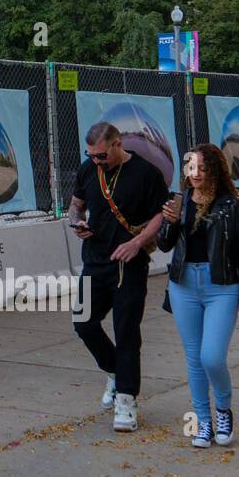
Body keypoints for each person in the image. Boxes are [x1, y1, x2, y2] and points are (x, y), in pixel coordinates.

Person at [158, 144, 239, 449]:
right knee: (194, 358)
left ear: (215, 170)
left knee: (211, 357)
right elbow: (164, 246)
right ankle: (203, 422)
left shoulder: (231, 205)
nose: (196, 174)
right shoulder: (180, 202)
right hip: (183, 285)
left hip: (221, 286)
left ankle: (224, 409)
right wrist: (170, 221)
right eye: (191, 168)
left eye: (203, 168)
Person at [68, 122, 168, 432]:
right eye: (91, 155)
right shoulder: (88, 170)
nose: (97, 161)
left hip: (129, 265)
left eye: (101, 155)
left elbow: (160, 214)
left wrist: (137, 242)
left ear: (117, 144)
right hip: (95, 261)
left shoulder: (146, 173)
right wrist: (77, 224)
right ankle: (114, 371)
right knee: (83, 322)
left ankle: (126, 398)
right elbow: (76, 205)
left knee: (126, 332)